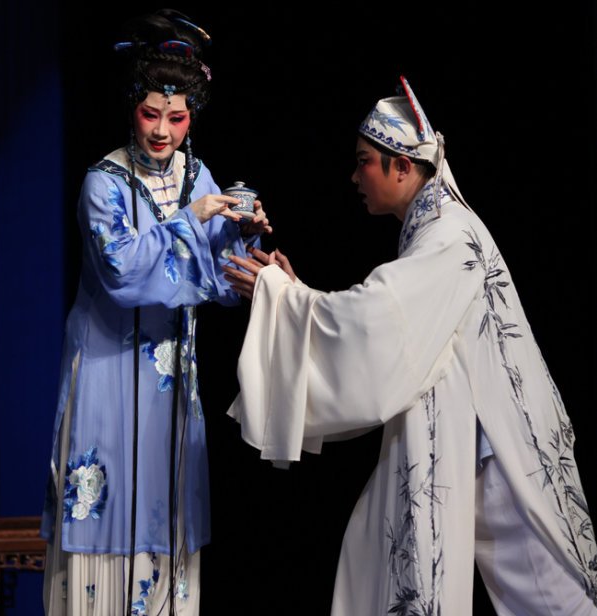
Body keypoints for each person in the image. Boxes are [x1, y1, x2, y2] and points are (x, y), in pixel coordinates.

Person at [223, 76, 597, 615]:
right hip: (474, 436)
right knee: (384, 549)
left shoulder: (448, 234)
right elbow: (385, 319)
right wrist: (295, 295)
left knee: (551, 597)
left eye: (364, 162)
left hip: (498, 444)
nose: (355, 176)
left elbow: (378, 322)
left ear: (402, 166)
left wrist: (280, 294)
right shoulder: (435, 228)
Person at [40, 9, 271, 615]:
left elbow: (218, 269)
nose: (163, 130)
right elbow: (122, 272)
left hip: (171, 379)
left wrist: (249, 248)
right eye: (151, 114)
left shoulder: (199, 175)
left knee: (166, 504)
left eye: (177, 117)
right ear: (131, 109)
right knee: (105, 501)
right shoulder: (104, 183)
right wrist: (193, 221)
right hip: (107, 372)